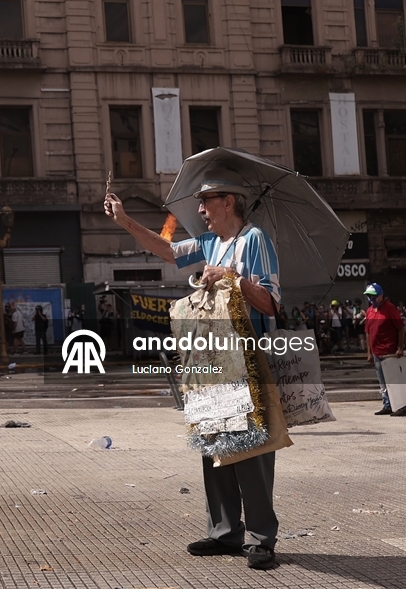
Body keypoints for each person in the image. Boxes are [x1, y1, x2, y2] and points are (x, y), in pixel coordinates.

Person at [105, 168, 281, 571]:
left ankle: (260, 539)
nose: (200, 209)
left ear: (229, 202)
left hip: (244, 356)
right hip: (209, 356)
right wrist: (125, 221)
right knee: (213, 444)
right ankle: (224, 532)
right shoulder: (208, 243)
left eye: (206, 202)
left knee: (250, 448)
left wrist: (232, 277)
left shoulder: (253, 240)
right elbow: (166, 251)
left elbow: (270, 302)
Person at [363, 283, 406, 417]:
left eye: (374, 297)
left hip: (389, 351)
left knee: (393, 380)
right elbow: (368, 332)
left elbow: (400, 328)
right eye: (369, 297)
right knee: (382, 382)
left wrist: (400, 347)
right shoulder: (370, 310)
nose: (371, 299)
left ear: (381, 296)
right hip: (376, 352)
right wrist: (369, 352)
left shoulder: (390, 308)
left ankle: (401, 407)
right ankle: (387, 405)